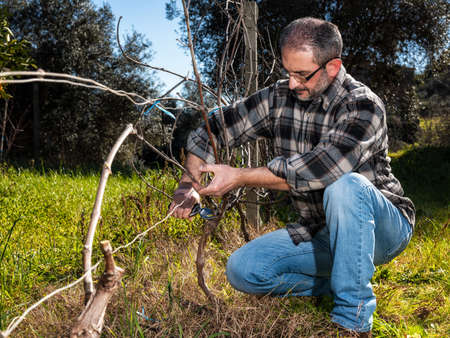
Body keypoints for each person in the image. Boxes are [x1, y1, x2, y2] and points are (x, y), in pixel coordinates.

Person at [169, 17, 415, 337]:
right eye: (288, 71)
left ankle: (353, 322)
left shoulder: (363, 106)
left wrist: (240, 176)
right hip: (318, 229)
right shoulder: (279, 96)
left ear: (333, 67)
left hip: (384, 229)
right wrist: (190, 182)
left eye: (301, 74)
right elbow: (212, 128)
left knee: (346, 186)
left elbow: (320, 169)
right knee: (243, 271)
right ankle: (345, 277)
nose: (293, 83)